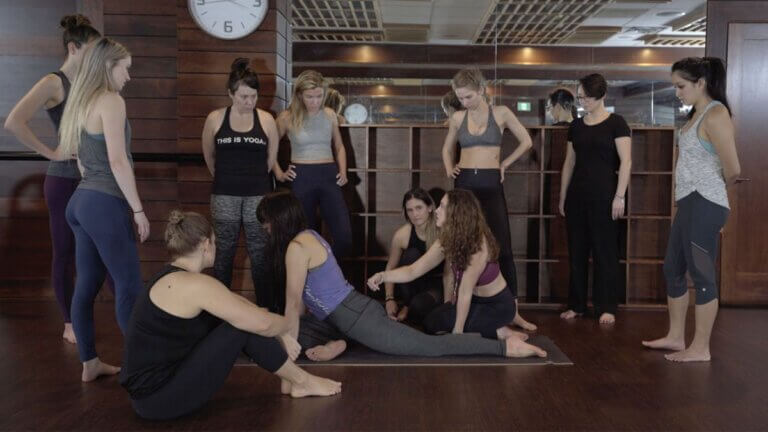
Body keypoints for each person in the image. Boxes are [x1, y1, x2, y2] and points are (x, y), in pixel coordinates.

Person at [257, 191, 547, 362]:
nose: (264, 229)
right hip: (344, 316)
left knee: (430, 346)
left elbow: (293, 304)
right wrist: (385, 277)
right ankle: (344, 341)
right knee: (272, 332)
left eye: (265, 223)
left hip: (359, 316)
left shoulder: (297, 247)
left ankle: (505, 345)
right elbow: (413, 269)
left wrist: (288, 364)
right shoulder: (307, 238)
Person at [120, 210, 341, 420]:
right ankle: (302, 381)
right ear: (206, 244)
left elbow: (239, 304)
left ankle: (298, 381)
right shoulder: (192, 285)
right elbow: (260, 324)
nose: (217, 246)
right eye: (215, 242)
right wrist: (286, 326)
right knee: (241, 326)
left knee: (243, 319)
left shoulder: (176, 277)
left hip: (151, 397)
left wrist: (277, 331)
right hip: (158, 400)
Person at [56, 37, 149, 382]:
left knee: (88, 285)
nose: (128, 76)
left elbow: (82, 162)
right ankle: (146, 368)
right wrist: (137, 209)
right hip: (102, 203)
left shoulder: (81, 101)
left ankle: (90, 362)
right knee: (129, 287)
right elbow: (117, 160)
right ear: (109, 66)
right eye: (126, 69)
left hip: (80, 202)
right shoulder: (110, 100)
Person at [4, 14, 101, 344]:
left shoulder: (91, 84)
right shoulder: (54, 82)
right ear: (74, 48)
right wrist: (50, 152)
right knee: (65, 251)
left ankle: (98, 315)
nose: (95, 58)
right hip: (62, 180)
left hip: (92, 179)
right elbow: (15, 122)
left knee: (98, 250)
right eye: (91, 51)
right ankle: (69, 322)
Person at [643, 57, 740, 362]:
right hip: (689, 203)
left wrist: (712, 203)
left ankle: (700, 348)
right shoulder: (695, 115)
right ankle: (675, 337)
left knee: (702, 275)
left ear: (701, 83)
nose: (678, 92)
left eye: (681, 86)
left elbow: (734, 168)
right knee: (672, 269)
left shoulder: (716, 114)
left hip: (705, 204)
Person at [441, 67, 536, 331]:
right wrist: (450, 167)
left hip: (491, 183)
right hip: (465, 185)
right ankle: (460, 305)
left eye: (469, 96)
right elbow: (447, 148)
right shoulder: (458, 117)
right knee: (462, 246)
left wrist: (504, 164)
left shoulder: (502, 113)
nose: (464, 102)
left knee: (502, 246)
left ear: (482, 90)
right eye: (460, 98)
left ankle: (513, 312)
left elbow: (526, 141)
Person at [370, 189, 530, 341]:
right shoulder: (447, 239)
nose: (437, 210)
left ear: (457, 214)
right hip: (474, 301)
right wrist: (383, 276)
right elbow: (413, 270)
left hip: (496, 306)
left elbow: (465, 292)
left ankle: (500, 332)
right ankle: (492, 329)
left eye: (442, 206)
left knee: (452, 325)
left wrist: (457, 333)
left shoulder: (478, 244)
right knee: (430, 323)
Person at [201, 58, 281, 310]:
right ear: (230, 94)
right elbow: (209, 158)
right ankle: (221, 312)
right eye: (244, 96)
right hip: (224, 194)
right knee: (223, 255)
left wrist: (251, 181)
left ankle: (265, 310)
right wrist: (228, 178)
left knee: (260, 257)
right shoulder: (215, 119)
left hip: (258, 196)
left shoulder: (267, 120)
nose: (249, 102)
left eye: (253, 96)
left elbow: (270, 162)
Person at [558, 73, 632, 325]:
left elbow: (626, 162)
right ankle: (576, 305)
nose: (582, 102)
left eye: (587, 98)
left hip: (606, 196)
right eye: (580, 98)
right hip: (577, 196)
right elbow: (569, 163)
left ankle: (607, 306)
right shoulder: (576, 126)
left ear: (601, 96)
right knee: (577, 252)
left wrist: (619, 196)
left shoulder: (617, 123)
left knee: (605, 253)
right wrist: (562, 195)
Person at [276, 70, 352, 257]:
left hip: (328, 175)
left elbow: (339, 146)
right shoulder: (286, 117)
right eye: (310, 97)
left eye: (319, 96)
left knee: (344, 237)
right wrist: (279, 173)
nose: (315, 101)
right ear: (300, 94)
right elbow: (269, 148)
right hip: (302, 177)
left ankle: (330, 278)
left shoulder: (329, 114)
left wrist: (343, 171)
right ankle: (308, 283)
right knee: (304, 239)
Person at [382, 188, 442, 324]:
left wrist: (450, 303)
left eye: (419, 208)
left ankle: (412, 307)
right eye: (410, 210)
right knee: (411, 254)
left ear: (430, 207)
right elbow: (391, 266)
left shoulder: (442, 231)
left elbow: (450, 273)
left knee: (419, 307)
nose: (415, 214)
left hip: (436, 284)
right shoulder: (402, 235)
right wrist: (389, 298)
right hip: (412, 285)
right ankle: (407, 305)